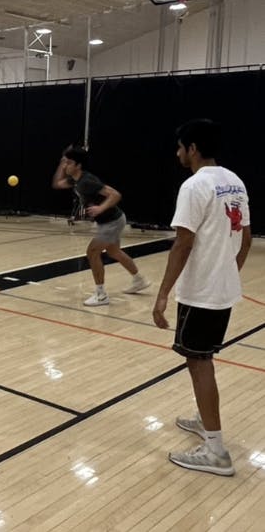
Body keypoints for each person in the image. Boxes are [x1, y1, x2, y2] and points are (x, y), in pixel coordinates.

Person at [153, 119, 251, 476]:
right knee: (202, 357)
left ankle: (215, 451)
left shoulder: (194, 185)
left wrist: (162, 294)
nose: (178, 153)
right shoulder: (234, 181)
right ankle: (203, 418)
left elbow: (183, 243)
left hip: (201, 294)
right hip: (221, 291)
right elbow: (247, 237)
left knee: (198, 361)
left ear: (192, 148)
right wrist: (228, 273)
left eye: (180, 147)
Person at [52, 146, 150, 306]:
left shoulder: (87, 181)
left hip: (112, 221)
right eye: (65, 162)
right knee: (113, 251)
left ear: (78, 165)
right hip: (111, 221)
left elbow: (115, 194)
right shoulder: (75, 180)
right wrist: (61, 163)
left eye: (69, 163)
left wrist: (100, 208)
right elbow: (57, 183)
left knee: (92, 252)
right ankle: (139, 280)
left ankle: (101, 295)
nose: (65, 166)